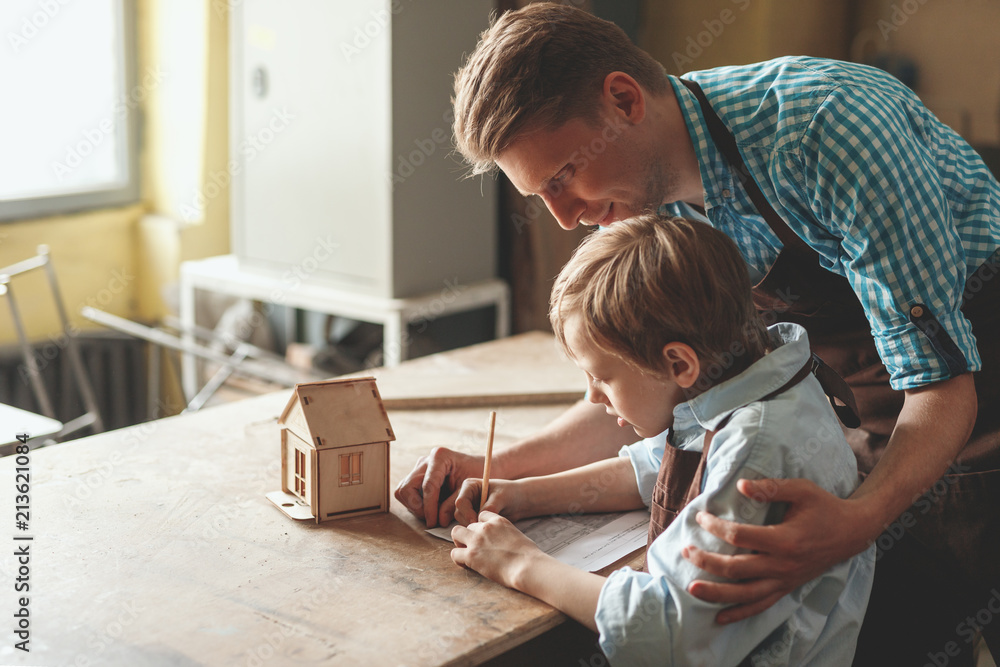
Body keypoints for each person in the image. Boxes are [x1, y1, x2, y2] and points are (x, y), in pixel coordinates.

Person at [395, 4, 1000, 664]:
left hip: (971, 399)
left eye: (565, 177)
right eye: (542, 195)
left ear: (623, 99)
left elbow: (942, 385)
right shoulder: (641, 201)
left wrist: (856, 522)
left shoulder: (825, 130)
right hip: (857, 414)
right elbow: (640, 386)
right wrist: (498, 468)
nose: (565, 217)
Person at [450, 214, 875, 665]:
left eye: (602, 377)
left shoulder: (756, 453)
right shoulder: (749, 377)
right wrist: (521, 495)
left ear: (678, 364)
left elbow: (666, 632)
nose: (592, 395)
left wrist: (521, 564)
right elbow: (657, 466)